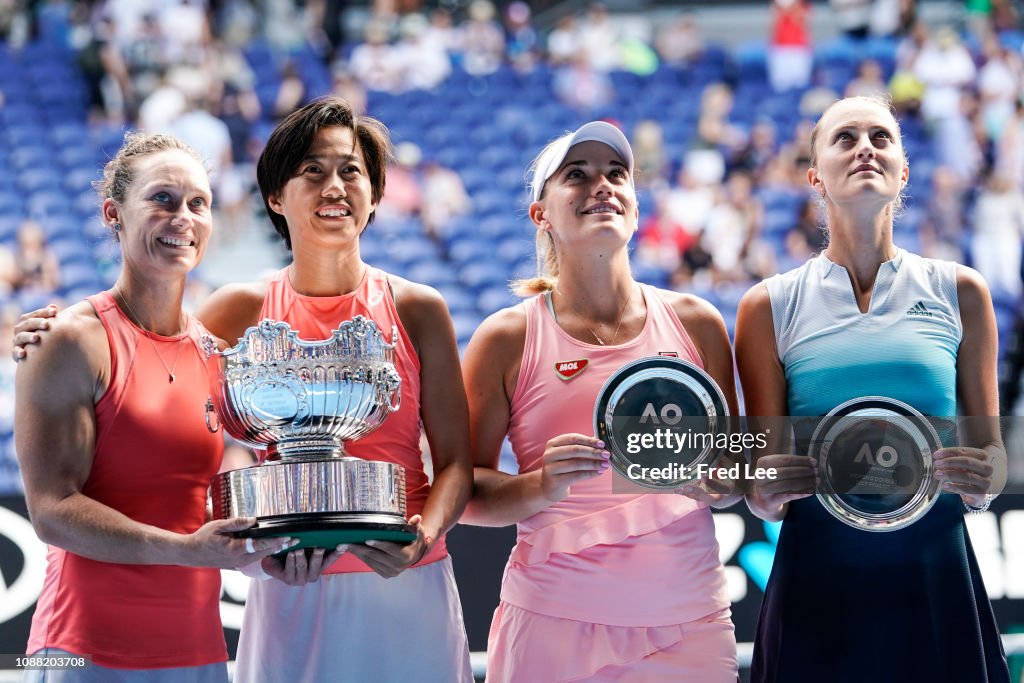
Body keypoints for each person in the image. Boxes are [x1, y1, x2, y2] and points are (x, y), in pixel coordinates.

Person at [14, 98, 474, 683]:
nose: (334, 185)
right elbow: (60, 499)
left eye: (351, 170)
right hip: (95, 639)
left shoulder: (210, 343)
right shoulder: (222, 317)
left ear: (377, 195)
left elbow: (456, 463)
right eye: (312, 169)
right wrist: (45, 338)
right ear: (275, 198)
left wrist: (414, 536)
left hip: (255, 623)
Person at [735, 95, 1010, 682]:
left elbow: (992, 463)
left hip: (936, 575)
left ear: (903, 171)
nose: (865, 147)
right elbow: (763, 485)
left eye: (881, 138)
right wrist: (767, 488)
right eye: (845, 138)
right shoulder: (766, 306)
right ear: (814, 176)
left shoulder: (962, 292)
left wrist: (984, 475)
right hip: (817, 580)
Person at [461, 121, 740, 683]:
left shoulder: (698, 324)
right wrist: (539, 486)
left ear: (636, 208)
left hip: (690, 625)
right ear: (541, 214)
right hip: (550, 625)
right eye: (577, 176)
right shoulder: (506, 337)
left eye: (617, 174)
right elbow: (463, 490)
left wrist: (716, 479)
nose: (603, 186)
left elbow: (733, 472)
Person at [13, 133, 286, 681]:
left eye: (197, 203)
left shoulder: (215, 351)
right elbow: (52, 512)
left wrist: (268, 552)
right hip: (86, 650)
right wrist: (188, 550)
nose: (182, 217)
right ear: (114, 213)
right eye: (162, 199)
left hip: (198, 650)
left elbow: (196, 507)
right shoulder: (69, 340)